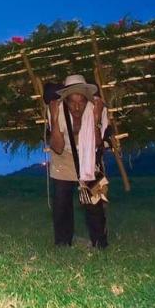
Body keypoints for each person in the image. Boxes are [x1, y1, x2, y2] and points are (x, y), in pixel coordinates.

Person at [45, 74, 109, 249]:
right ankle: (63, 243)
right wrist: (55, 120)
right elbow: (57, 147)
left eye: (81, 101)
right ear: (65, 100)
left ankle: (100, 243)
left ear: (87, 99)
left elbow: (98, 143)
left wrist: (96, 121)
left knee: (94, 202)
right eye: (72, 101)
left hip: (90, 157)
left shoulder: (97, 109)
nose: (77, 106)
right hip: (63, 156)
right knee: (61, 202)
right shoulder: (56, 110)